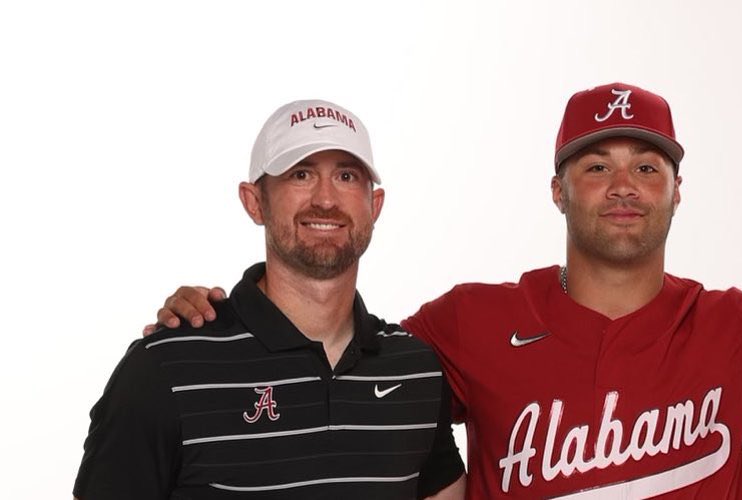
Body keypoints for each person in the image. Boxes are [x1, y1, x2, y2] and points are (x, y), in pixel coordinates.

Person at [145, 84, 742, 499]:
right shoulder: (469, 323)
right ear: (557, 190)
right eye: (597, 166)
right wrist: (222, 326)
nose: (623, 186)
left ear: (678, 191)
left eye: (647, 167)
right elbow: (335, 377)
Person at [74, 100, 464, 498]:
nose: (326, 199)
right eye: (301, 174)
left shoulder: (416, 372)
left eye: (346, 176)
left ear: (374, 206)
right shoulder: (165, 367)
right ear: (254, 202)